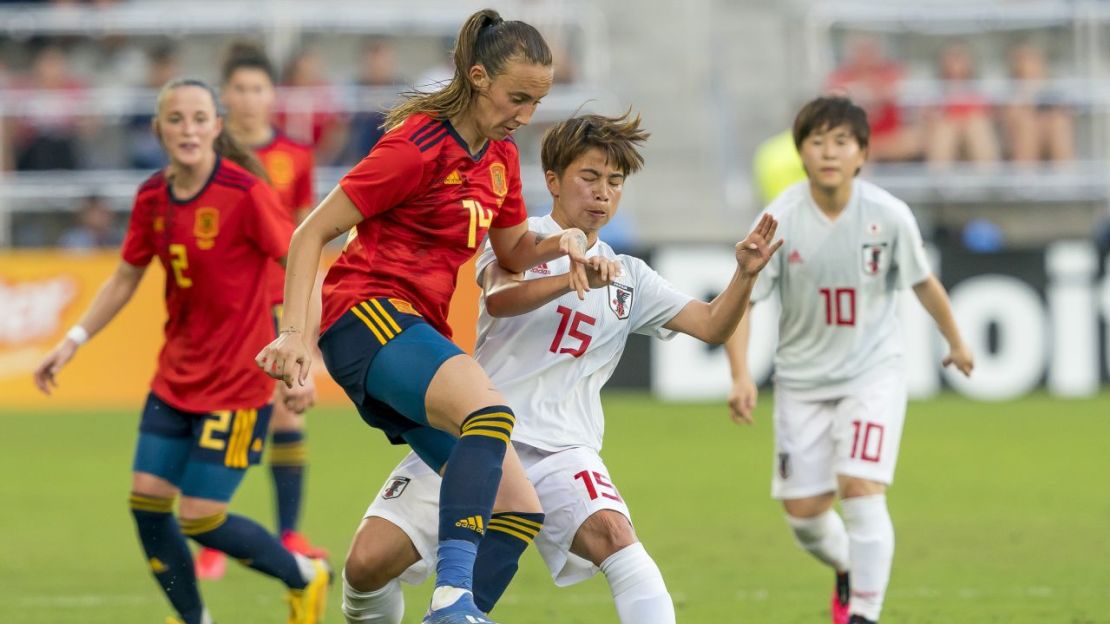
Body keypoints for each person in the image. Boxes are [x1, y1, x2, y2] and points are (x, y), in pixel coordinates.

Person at [336, 111, 782, 624]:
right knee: (366, 565)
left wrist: (744, 276)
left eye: (614, 182)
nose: (602, 193)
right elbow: (500, 296)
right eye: (589, 177)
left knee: (617, 538)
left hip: (564, 450)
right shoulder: (518, 236)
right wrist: (571, 279)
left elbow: (710, 325)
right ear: (553, 180)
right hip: (476, 438)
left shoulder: (629, 275)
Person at [255, 9, 593, 624]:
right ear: (478, 75)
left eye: (536, 102)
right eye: (517, 98)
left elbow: (514, 251)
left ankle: (452, 612)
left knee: (518, 506)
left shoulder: (501, 157)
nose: (525, 114)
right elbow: (311, 233)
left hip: (418, 335)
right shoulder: (415, 146)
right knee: (490, 414)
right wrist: (294, 334)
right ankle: (451, 601)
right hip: (368, 317)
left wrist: (560, 240)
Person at [31, 78, 330, 624]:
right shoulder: (152, 196)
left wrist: (302, 351)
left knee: (199, 517)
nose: (188, 129)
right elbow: (125, 276)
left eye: (198, 118)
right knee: (145, 504)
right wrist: (71, 342)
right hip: (175, 378)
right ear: (158, 129)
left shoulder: (243, 193)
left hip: (237, 385)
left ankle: (303, 575)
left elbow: (303, 266)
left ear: (217, 126)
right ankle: (194, 618)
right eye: (176, 119)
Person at [725, 96, 975, 624]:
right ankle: (846, 566)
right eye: (817, 142)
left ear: (862, 153)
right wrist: (741, 373)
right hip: (801, 382)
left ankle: (864, 612)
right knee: (805, 517)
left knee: (860, 487)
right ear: (802, 153)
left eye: (842, 141)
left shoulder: (888, 215)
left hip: (872, 374)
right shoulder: (780, 219)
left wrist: (956, 339)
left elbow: (922, 282)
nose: (829, 152)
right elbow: (743, 299)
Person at [186, 41, 326, 582]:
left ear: (272, 95)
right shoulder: (204, 156)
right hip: (224, 308)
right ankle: (213, 531)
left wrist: (308, 336)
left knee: (287, 410)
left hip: (276, 302)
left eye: (257, 88)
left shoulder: (296, 157)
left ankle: (288, 532)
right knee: (220, 414)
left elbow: (308, 239)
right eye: (239, 89)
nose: (249, 99)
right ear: (225, 97)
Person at [58, 194, 124, 250]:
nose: (98, 217)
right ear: (83, 215)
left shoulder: (119, 237)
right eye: (93, 212)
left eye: (103, 212)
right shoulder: (72, 239)